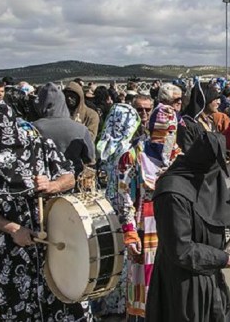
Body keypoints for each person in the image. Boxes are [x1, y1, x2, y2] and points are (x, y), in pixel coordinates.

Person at [0, 103, 93, 321]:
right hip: (11, 248)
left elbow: (69, 176)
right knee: (20, 307)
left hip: (56, 240)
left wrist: (53, 185)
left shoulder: (40, 146)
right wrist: (13, 228)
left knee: (69, 300)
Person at [145, 131, 230, 322]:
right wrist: (221, 258)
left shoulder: (204, 179)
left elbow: (211, 217)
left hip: (210, 278)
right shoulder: (172, 193)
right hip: (183, 285)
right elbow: (181, 249)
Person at [118, 104, 181, 319]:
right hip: (145, 228)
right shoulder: (134, 156)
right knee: (143, 290)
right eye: (162, 133)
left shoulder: (178, 156)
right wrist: (129, 231)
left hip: (172, 226)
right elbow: (124, 194)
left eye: (171, 132)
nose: (166, 138)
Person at [91, 103, 141, 317]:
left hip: (105, 209)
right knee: (125, 258)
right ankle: (123, 303)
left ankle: (105, 302)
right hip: (125, 208)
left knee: (110, 255)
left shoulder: (104, 145)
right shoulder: (128, 151)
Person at [33, 83, 96, 178]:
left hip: (43, 182)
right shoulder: (81, 129)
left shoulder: (33, 128)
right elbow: (90, 158)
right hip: (73, 180)